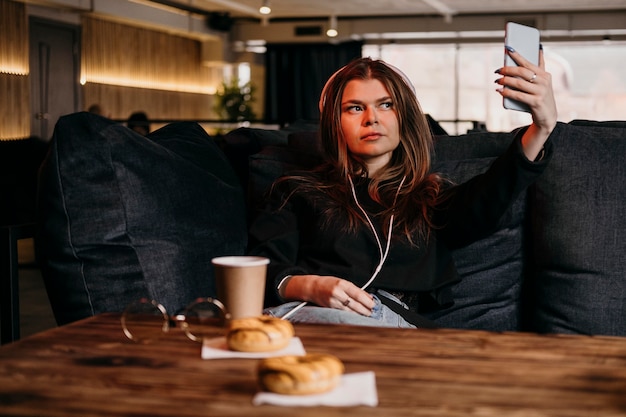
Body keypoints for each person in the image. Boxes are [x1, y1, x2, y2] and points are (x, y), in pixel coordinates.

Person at [247, 47, 558, 328]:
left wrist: (541, 127)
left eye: (385, 105)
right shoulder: (295, 189)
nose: (371, 119)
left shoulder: (429, 198)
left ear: (403, 117)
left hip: (389, 324)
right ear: (335, 123)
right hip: (307, 314)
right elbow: (259, 268)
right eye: (355, 108)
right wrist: (310, 286)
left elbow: (490, 196)